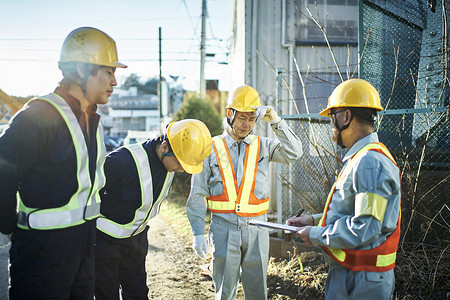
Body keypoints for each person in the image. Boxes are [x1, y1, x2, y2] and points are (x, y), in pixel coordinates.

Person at [0, 27, 126, 299]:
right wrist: (8, 227)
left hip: (83, 245)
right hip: (41, 254)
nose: (115, 81)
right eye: (108, 72)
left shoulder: (92, 120)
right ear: (81, 71)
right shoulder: (38, 116)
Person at [288, 79, 401, 299]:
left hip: (361, 281)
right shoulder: (362, 158)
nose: (331, 126)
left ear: (346, 117)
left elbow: (365, 227)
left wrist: (317, 234)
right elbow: (357, 212)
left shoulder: (369, 161)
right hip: (355, 274)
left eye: (332, 118)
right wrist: (313, 220)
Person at [186, 85, 303, 300]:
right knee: (225, 292)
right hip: (223, 229)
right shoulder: (210, 147)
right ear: (230, 114)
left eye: (251, 119)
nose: (246, 124)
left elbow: (295, 152)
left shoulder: (264, 146)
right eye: (241, 117)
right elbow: (197, 193)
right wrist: (197, 232)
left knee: (258, 292)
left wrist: (276, 121)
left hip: (257, 229)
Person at [94, 119, 212, 300]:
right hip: (104, 244)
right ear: (164, 147)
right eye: (180, 163)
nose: (181, 169)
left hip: (136, 241)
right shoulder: (122, 161)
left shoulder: (168, 164)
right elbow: (89, 193)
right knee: (106, 295)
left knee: (138, 293)